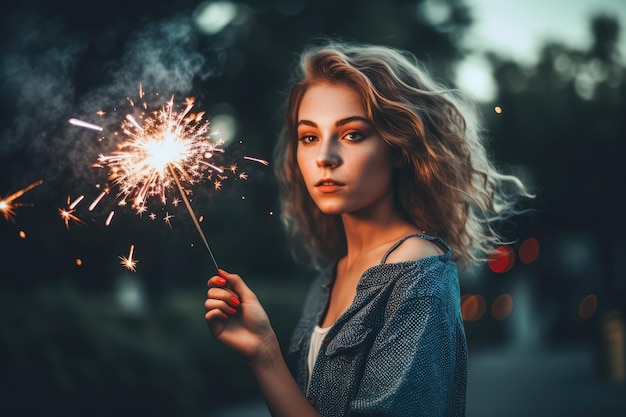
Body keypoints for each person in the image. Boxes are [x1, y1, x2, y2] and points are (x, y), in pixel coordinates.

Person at [204, 39, 532, 417]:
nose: (325, 157)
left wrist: (270, 359)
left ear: (397, 147)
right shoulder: (331, 275)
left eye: (352, 134)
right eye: (309, 137)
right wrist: (263, 354)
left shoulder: (417, 274)